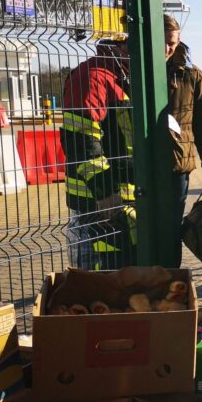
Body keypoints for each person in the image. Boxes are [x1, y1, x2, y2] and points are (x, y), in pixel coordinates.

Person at [60, 35, 136, 270]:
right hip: (98, 202)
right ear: (122, 45)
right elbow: (81, 141)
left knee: (126, 273)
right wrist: (106, 194)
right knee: (100, 279)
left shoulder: (124, 76)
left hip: (124, 197)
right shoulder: (93, 76)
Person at [164, 14, 202, 268]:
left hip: (176, 166)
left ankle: (171, 276)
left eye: (172, 43)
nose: (166, 48)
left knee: (172, 229)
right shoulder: (131, 68)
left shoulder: (192, 76)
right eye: (162, 41)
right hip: (138, 166)